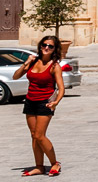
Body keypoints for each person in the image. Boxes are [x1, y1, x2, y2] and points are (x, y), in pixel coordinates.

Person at [13, 35, 65, 176]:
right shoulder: (33, 61)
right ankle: (39, 166)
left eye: (50, 46)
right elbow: (15, 76)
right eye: (44, 45)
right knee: (33, 135)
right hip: (30, 101)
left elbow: (61, 88)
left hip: (45, 103)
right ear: (40, 46)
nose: (46, 47)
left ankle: (55, 163)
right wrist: (26, 63)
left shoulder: (55, 66)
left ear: (55, 49)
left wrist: (56, 102)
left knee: (40, 135)